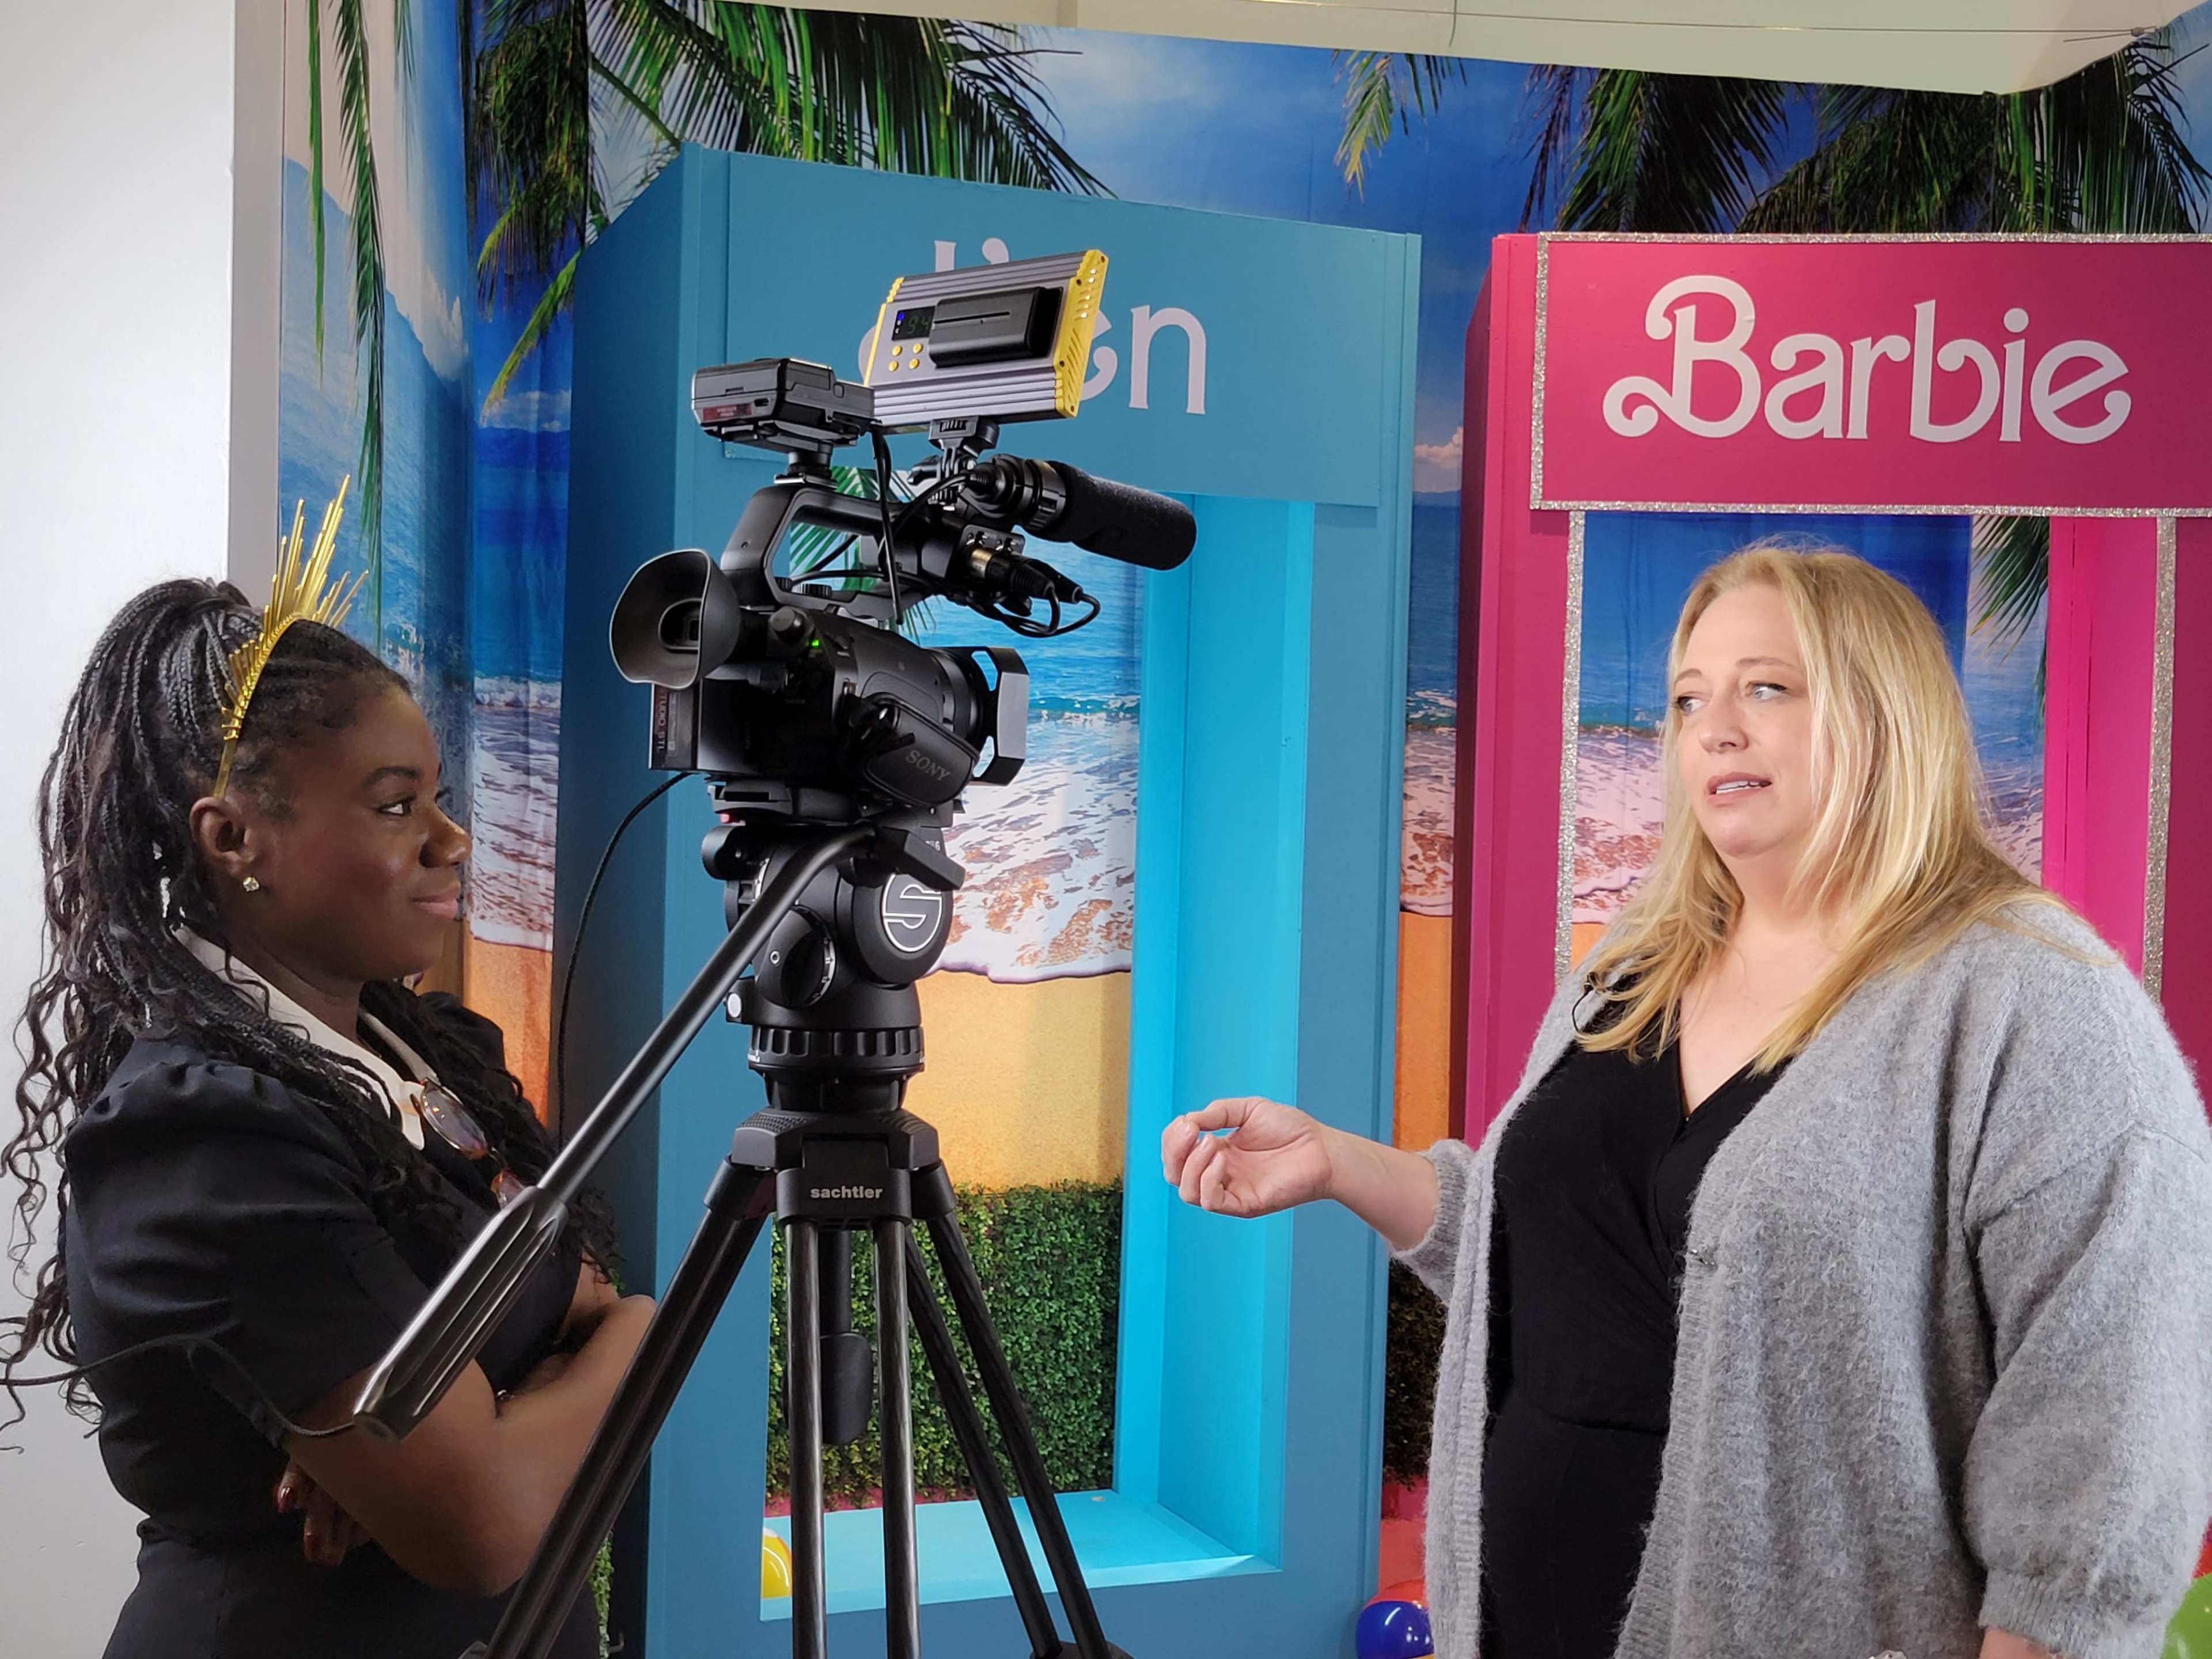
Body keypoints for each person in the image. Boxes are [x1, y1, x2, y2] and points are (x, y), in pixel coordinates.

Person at [1162, 543, 2212, 1659]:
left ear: (1881, 712)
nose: (1714, 727)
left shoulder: (2033, 1006)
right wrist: (1335, 1162)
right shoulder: (1632, 964)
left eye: (1767, 686)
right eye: (1687, 697)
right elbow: (1553, 1252)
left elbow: (2111, 1440)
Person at [1, 573, 652, 1658]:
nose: (451, 840)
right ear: (234, 839)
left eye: (437, 798)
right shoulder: (202, 1133)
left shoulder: (423, 1047)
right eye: (397, 805)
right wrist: (631, 1337)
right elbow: (482, 1527)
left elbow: (583, 1270)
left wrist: (474, 1404)